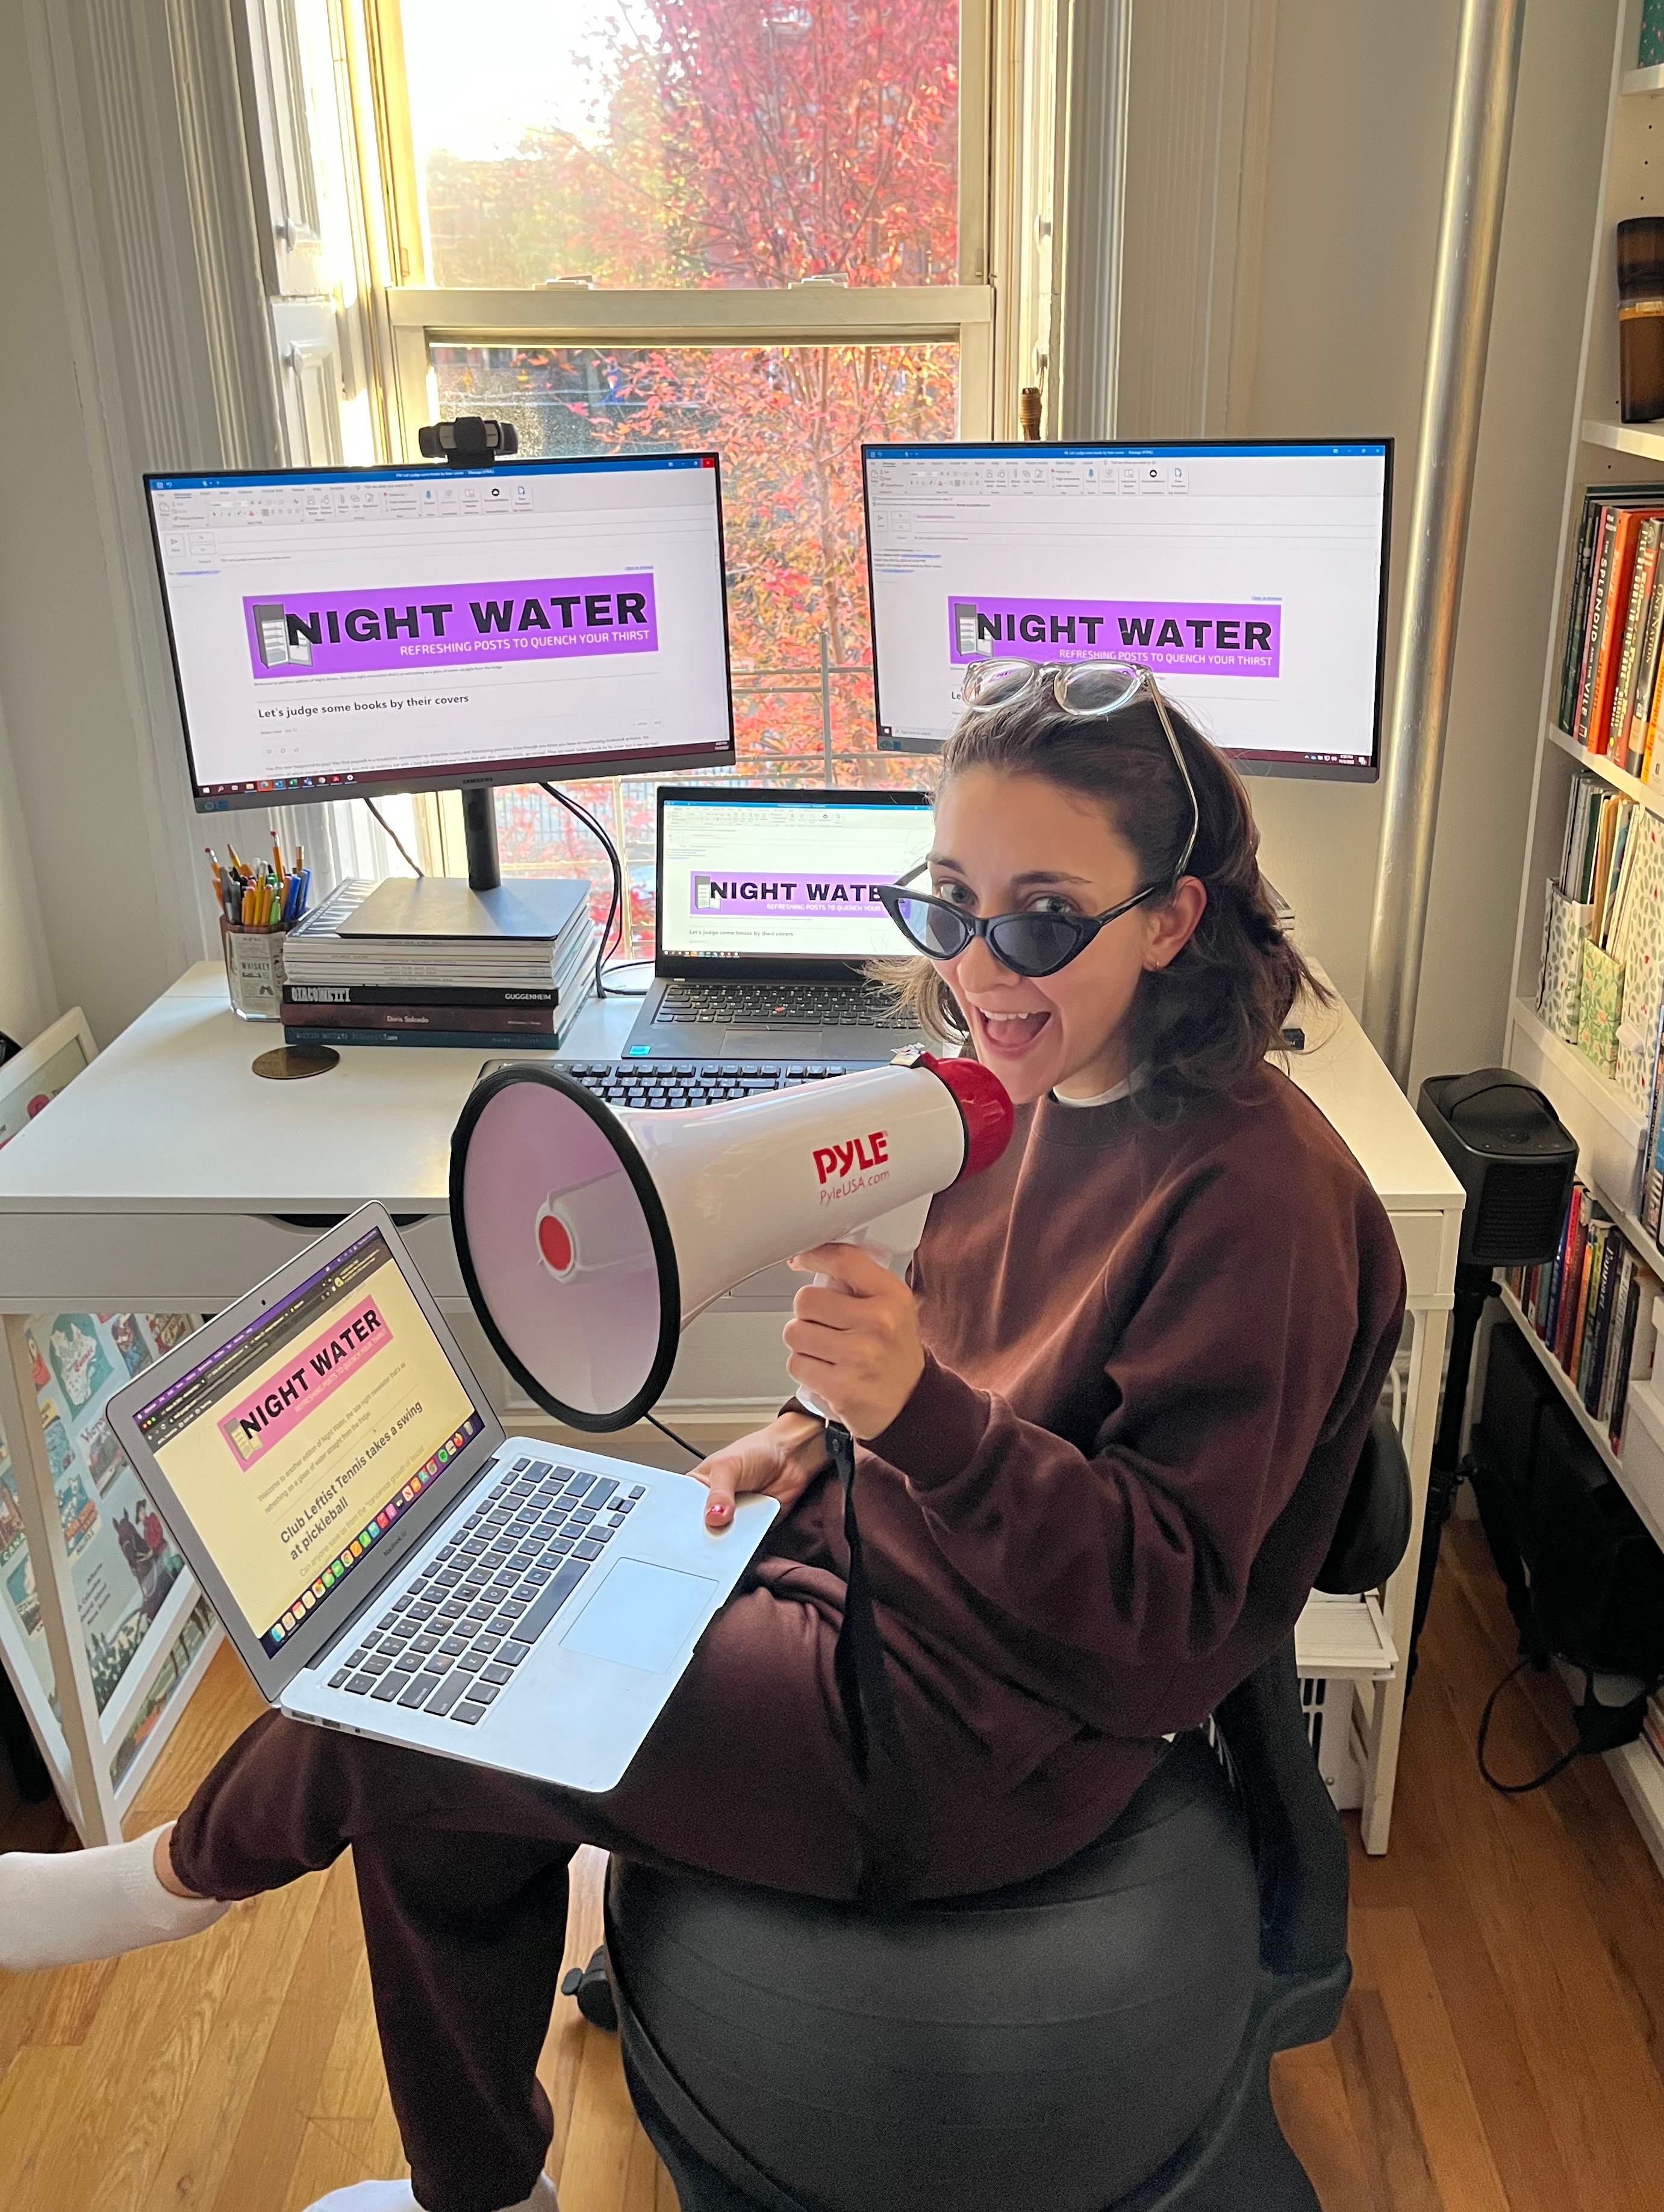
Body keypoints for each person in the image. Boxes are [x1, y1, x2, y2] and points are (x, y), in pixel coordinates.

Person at [0, 661, 1406, 2212]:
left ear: (1174, 919)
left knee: (416, 1717)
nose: (985, 968)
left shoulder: (1259, 1205)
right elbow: (983, 1386)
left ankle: (166, 1889)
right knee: (452, 1646)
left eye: (1043, 915)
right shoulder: (1044, 1083)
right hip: (870, 1586)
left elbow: (1158, 1622)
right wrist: (810, 1436)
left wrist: (915, 1416)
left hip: (972, 1737)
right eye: (950, 905)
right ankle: (483, 2188)